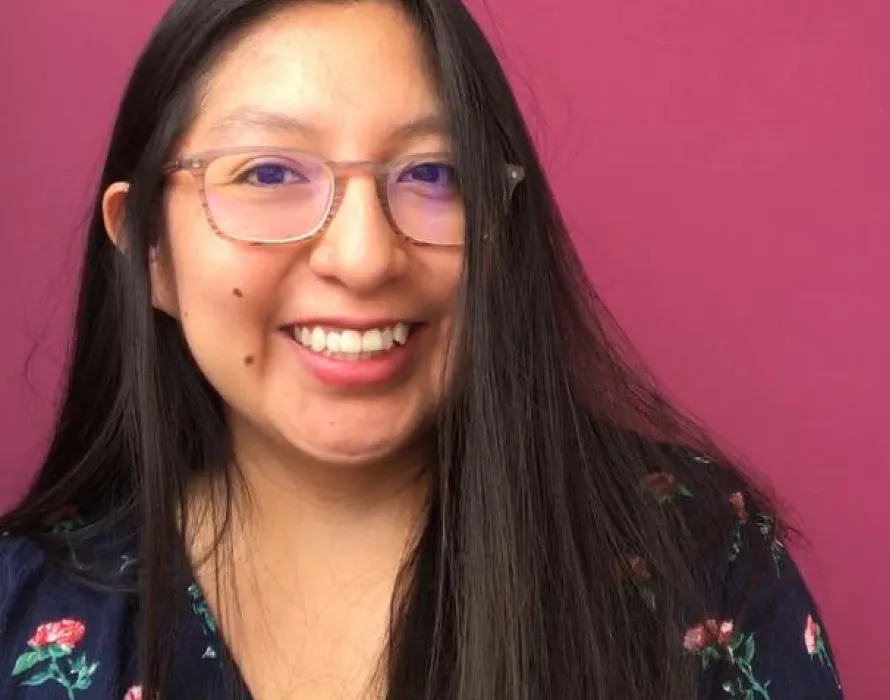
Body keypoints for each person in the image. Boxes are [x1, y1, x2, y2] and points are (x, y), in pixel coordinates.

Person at [0, 1, 844, 698]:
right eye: (268, 174)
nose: (365, 257)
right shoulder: (22, 607)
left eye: (433, 174)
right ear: (149, 248)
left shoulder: (700, 559)